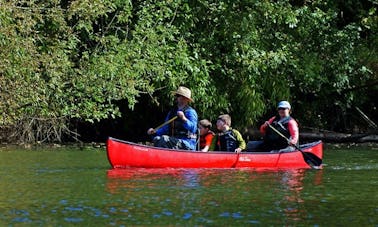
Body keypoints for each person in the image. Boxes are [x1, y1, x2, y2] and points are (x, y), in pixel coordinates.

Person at [147, 86, 198, 150]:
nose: (180, 98)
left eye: (182, 96)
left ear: (187, 99)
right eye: (178, 96)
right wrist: (155, 132)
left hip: (187, 143)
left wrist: (184, 119)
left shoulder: (191, 112)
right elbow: (165, 128)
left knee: (163, 139)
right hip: (174, 141)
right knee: (157, 139)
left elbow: (193, 129)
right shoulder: (172, 112)